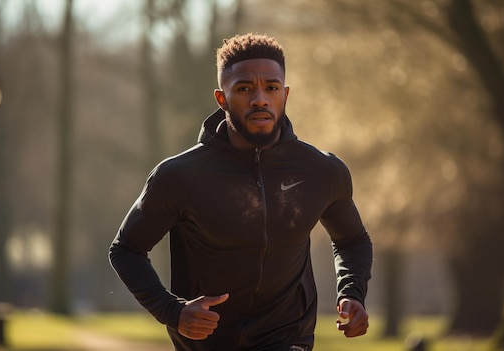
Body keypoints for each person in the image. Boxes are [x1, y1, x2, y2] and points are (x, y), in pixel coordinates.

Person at [109, 33, 373, 351]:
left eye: (271, 88)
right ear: (222, 99)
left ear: (285, 95)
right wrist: (173, 311)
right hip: (206, 344)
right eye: (244, 89)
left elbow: (353, 240)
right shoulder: (180, 175)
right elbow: (126, 249)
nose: (260, 99)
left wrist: (352, 292)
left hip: (287, 339)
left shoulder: (321, 171)